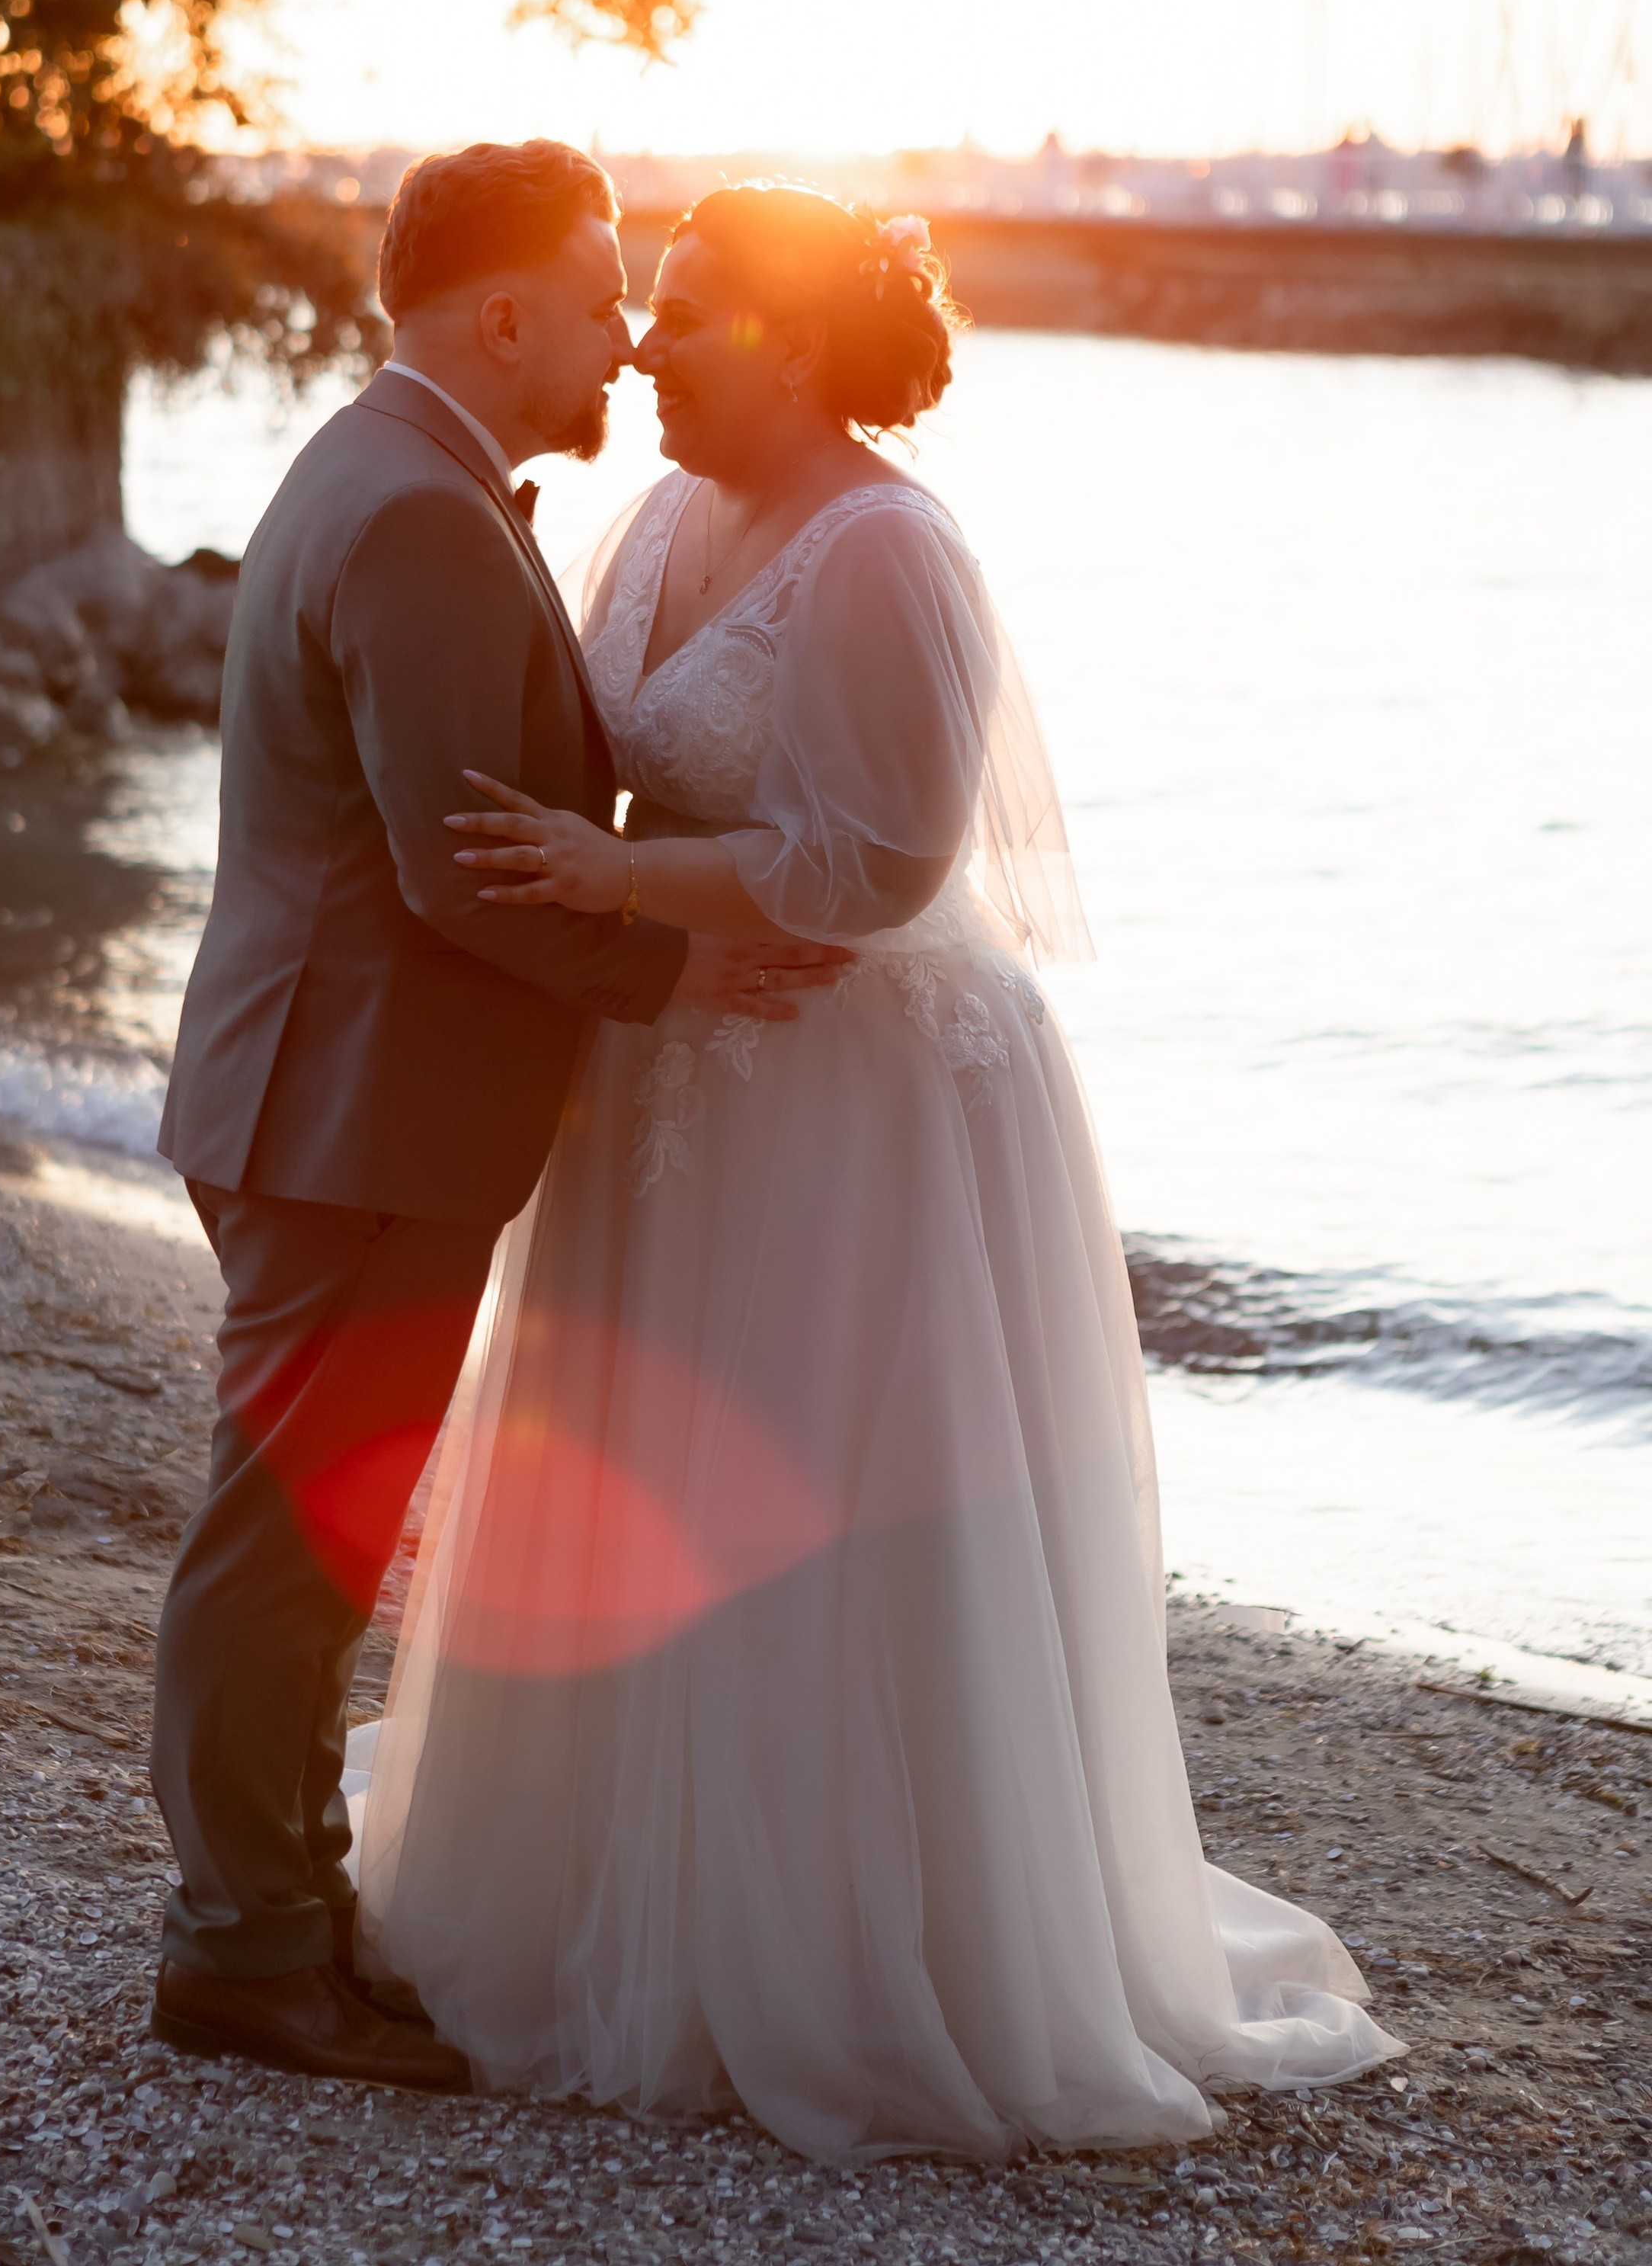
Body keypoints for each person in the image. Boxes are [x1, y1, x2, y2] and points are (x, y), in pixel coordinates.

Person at [351, 181, 1401, 2156]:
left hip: (869, 1091)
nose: (646, 345)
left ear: (805, 342)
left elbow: (882, 861)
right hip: (680, 1061)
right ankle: (612, 1893)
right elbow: (600, 754)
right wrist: (574, 895)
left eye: (688, 313)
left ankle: (864, 1944)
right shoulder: (658, 519)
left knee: (830, 1487)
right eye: (641, 309)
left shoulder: (890, 554)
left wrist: (611, 878)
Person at [147, 144, 850, 2085]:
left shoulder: (399, 473)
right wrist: (681, 971)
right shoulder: (419, 515)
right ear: (507, 312)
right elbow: (462, 867)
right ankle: (239, 1951)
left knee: (315, 1534)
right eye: (602, 288)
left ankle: (285, 1915)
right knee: (282, 1542)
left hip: (337, 1095)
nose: (627, 332)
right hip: (350, 1107)